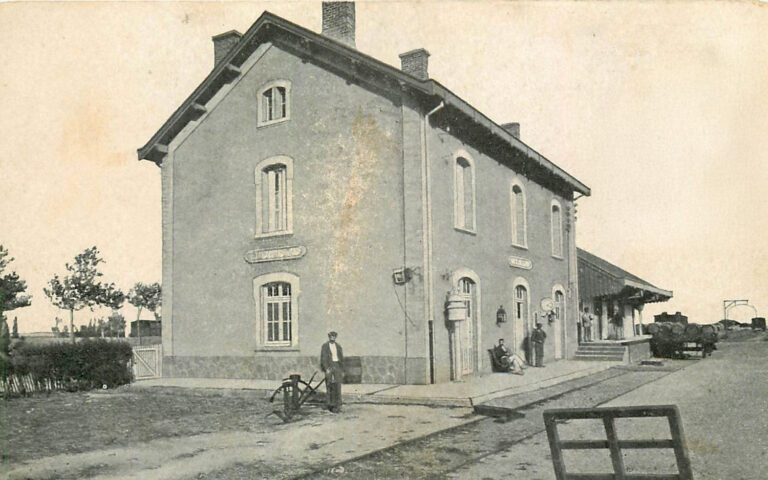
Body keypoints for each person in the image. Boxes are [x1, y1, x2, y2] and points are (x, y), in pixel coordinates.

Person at [320, 331, 344, 413]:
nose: (332, 338)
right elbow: (323, 358)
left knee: (337, 385)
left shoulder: (338, 346)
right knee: (329, 384)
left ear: (335, 337)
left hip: (337, 365)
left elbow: (341, 358)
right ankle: (329, 403)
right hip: (329, 366)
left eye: (334, 336)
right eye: (331, 336)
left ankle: (338, 404)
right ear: (329, 337)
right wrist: (326, 368)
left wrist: (341, 369)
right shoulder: (325, 346)